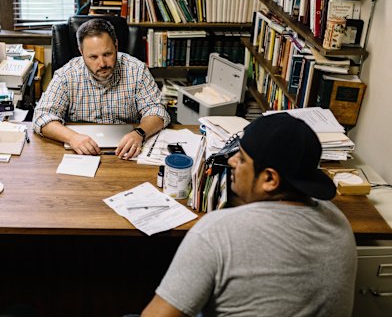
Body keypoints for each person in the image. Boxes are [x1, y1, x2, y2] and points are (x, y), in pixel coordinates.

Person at [141, 113, 357, 316]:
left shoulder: (216, 231)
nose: (232, 161)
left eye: (242, 158)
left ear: (270, 179)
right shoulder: (338, 220)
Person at [33, 18, 170, 159]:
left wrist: (140, 133)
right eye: (93, 57)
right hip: (80, 152)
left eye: (107, 54)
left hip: (128, 152)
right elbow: (42, 116)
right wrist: (72, 138)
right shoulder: (67, 74)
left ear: (116, 46)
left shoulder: (136, 70)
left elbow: (157, 110)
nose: (102, 63)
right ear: (81, 52)